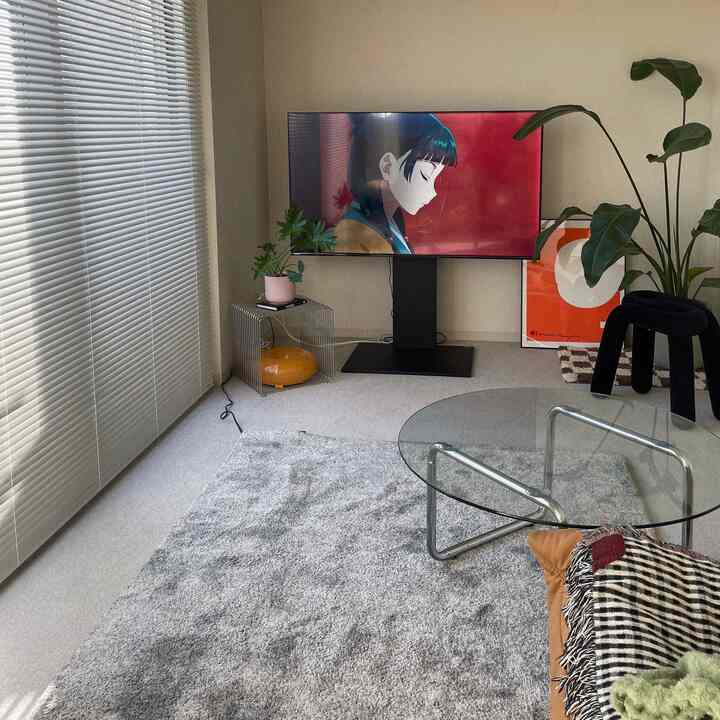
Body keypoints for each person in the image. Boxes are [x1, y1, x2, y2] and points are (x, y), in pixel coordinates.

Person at [334, 113, 457, 254]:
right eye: (425, 175)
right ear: (388, 166)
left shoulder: (392, 220)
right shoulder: (353, 235)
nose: (433, 193)